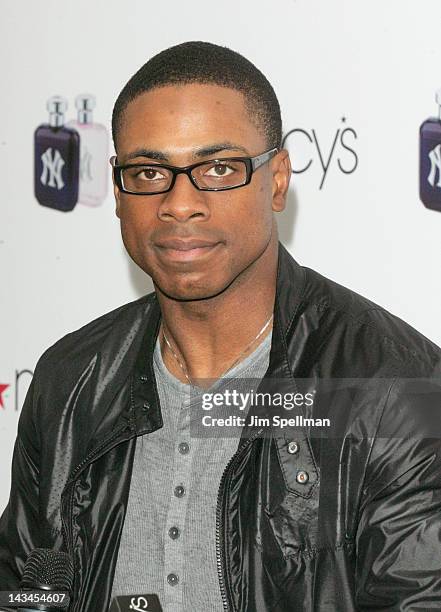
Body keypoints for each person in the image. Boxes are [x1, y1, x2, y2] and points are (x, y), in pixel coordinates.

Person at [1, 40, 441, 612]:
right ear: (117, 190)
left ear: (277, 179)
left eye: (218, 169)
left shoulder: (397, 390)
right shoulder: (70, 381)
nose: (180, 203)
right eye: (150, 171)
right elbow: (28, 595)